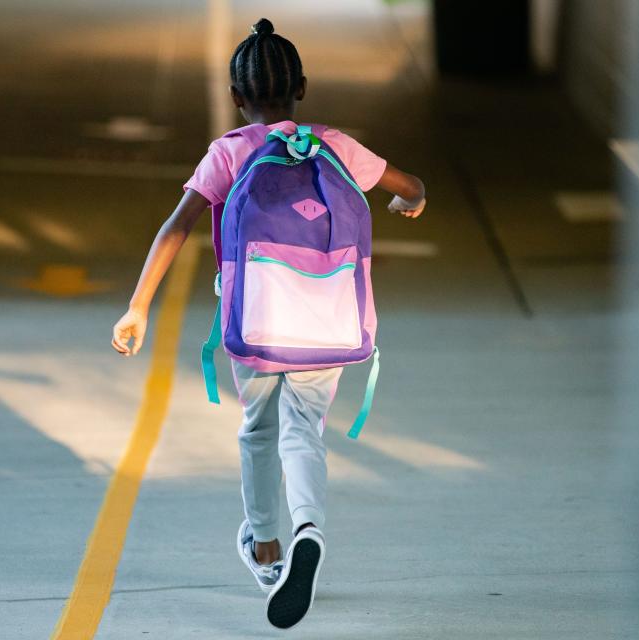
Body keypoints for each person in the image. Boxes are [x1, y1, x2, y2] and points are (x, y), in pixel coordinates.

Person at [110, 17, 426, 629]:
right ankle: (309, 529)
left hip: (255, 319)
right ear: (301, 88)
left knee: (259, 427)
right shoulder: (336, 144)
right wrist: (408, 199)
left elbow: (177, 224)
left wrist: (139, 306)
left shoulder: (230, 151)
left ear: (236, 97)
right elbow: (411, 184)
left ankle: (266, 546)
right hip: (329, 319)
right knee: (304, 431)